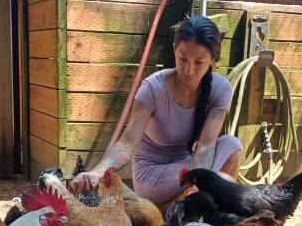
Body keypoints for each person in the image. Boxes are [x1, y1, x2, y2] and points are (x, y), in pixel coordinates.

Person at [70, 15, 242, 206]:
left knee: (232, 145)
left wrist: (201, 184)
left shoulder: (221, 88)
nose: (188, 69)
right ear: (174, 51)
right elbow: (126, 144)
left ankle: (205, 215)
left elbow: (206, 146)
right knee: (224, 182)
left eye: (199, 62)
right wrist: (97, 172)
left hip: (190, 163)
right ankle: (189, 213)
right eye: (182, 58)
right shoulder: (153, 87)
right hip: (153, 172)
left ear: (213, 60)